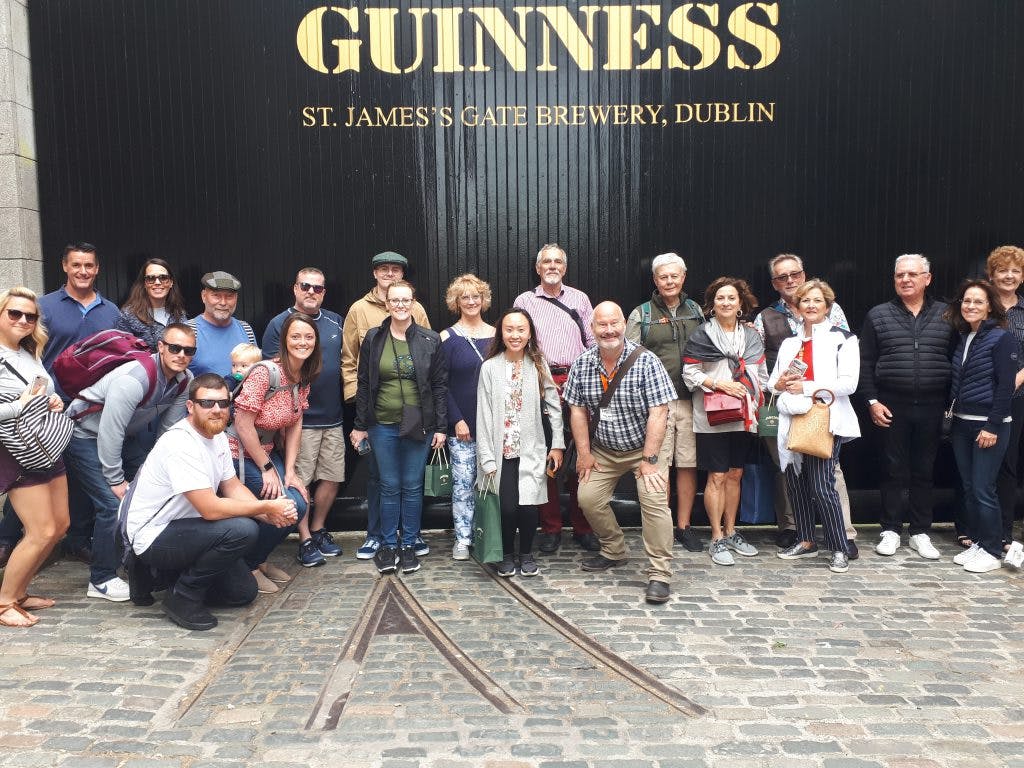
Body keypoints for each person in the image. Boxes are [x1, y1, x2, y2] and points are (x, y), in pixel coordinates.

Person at [123, 373, 299, 631]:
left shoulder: (216, 437)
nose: (216, 410)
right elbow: (210, 508)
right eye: (207, 403)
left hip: (188, 529)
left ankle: (166, 576)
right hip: (154, 535)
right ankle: (182, 596)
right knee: (242, 530)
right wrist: (263, 508)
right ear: (191, 406)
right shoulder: (180, 442)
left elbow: (231, 486)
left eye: (223, 403)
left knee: (242, 593)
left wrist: (269, 515)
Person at [0, 243, 120, 569]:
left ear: (97, 269)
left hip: (91, 410)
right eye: (77, 265)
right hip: (46, 411)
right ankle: (7, 539)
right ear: (65, 267)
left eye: (89, 266)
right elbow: (32, 352)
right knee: (31, 473)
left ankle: (75, 540)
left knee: (75, 478)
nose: (83, 271)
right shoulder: (45, 306)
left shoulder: (111, 311)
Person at [64, 323, 194, 601]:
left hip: (124, 438)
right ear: (161, 347)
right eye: (175, 347)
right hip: (84, 434)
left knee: (157, 491)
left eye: (188, 350)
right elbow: (110, 430)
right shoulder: (134, 378)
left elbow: (167, 432)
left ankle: (150, 563)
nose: (181, 354)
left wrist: (162, 472)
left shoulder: (185, 380)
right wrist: (115, 479)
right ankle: (101, 578)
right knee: (112, 504)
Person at [563, 301, 676, 604]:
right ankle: (614, 549)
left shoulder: (646, 361)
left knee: (653, 501)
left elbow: (659, 412)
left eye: (614, 323)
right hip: (604, 449)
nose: (609, 330)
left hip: (645, 447)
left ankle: (660, 573)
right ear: (592, 328)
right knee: (588, 498)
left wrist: (650, 460)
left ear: (624, 324)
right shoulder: (583, 363)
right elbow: (576, 410)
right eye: (602, 324)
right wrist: (585, 454)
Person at [753, 254, 858, 554]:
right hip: (789, 413)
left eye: (816, 301)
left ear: (827, 305)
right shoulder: (787, 340)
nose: (810, 306)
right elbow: (772, 380)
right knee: (794, 479)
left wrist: (806, 387)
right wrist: (781, 384)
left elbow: (848, 383)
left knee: (824, 482)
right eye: (805, 302)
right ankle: (804, 537)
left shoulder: (843, 338)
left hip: (824, 414)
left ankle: (842, 543)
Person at [860, 254, 954, 559]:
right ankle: (889, 529)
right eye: (900, 275)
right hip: (891, 404)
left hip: (932, 405)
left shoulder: (947, 315)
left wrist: (951, 404)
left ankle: (920, 532)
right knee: (892, 469)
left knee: (924, 470)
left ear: (927, 278)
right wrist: (872, 401)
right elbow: (865, 362)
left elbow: (957, 360)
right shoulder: (879, 315)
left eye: (913, 274)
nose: (906, 280)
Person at [349, 280, 446, 576]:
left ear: (413, 303)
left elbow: (439, 386)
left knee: (413, 486)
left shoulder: (430, 339)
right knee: (389, 486)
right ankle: (389, 544)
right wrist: (360, 424)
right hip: (382, 424)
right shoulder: (374, 339)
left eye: (406, 300)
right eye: (395, 301)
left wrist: (441, 426)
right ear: (387, 303)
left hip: (420, 424)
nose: (401, 306)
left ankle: (409, 544)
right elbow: (364, 383)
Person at [342, 252, 430, 560]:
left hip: (412, 416)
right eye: (383, 269)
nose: (389, 274)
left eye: (395, 270)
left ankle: (408, 535)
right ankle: (376, 535)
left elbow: (427, 360)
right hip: (376, 414)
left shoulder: (416, 309)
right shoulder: (358, 309)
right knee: (380, 478)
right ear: (375, 273)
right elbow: (351, 360)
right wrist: (360, 414)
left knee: (405, 480)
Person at [514, 243, 598, 554]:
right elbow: (518, 340)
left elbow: (592, 342)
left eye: (557, 261)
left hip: (577, 385)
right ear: (537, 268)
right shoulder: (525, 301)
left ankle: (582, 526)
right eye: (546, 261)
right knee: (546, 458)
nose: (552, 266)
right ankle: (550, 528)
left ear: (564, 267)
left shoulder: (580, 299)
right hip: (541, 384)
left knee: (581, 457)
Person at [682, 277, 767, 567]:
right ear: (712, 305)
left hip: (743, 414)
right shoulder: (701, 336)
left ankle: (732, 531)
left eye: (732, 298)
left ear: (741, 304)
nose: (726, 303)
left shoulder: (752, 337)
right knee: (716, 476)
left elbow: (761, 372)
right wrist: (722, 385)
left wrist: (756, 394)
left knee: (735, 474)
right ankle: (716, 536)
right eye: (720, 298)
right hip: (712, 417)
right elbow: (689, 374)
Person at [263, 268, 345, 563]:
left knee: (333, 477)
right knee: (301, 480)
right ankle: (305, 539)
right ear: (294, 288)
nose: (312, 292)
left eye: (318, 288)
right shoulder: (278, 323)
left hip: (333, 417)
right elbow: (273, 370)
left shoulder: (336, 320)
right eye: (306, 286)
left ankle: (319, 528)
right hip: (300, 420)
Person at [229, 313, 317, 589]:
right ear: (284, 340)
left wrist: (289, 471)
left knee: (299, 499)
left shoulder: (302, 375)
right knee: (289, 505)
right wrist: (267, 469)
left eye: (308, 337)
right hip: (238, 455)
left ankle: (259, 558)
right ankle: (249, 565)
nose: (302, 342)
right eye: (296, 336)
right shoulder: (264, 372)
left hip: (266, 452)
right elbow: (242, 424)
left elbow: (295, 422)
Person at [625, 252, 705, 552]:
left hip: (691, 400)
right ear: (655, 280)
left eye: (674, 276)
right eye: (663, 277)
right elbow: (629, 358)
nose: (669, 281)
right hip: (657, 405)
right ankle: (664, 525)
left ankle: (684, 526)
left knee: (687, 465)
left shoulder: (696, 310)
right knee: (659, 466)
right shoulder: (641, 314)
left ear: (683, 278)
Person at [0, 288, 69, 628]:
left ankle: (21, 591)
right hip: (16, 449)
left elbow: (44, 392)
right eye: (14, 313)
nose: (24, 321)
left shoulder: (29, 351)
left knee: (60, 526)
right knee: (40, 530)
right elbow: (19, 404)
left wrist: (52, 401)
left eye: (30, 316)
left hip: (44, 443)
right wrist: (20, 405)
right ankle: (4, 603)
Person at [476, 309, 563, 577]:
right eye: (509, 329)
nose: (515, 335)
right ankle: (504, 554)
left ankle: (525, 553)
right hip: (500, 451)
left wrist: (557, 444)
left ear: (530, 334)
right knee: (506, 506)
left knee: (528, 504)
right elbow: (483, 413)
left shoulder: (537, 364)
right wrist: (486, 457)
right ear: (501, 333)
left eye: (521, 330)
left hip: (531, 448)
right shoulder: (490, 367)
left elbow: (554, 405)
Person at [945, 280, 1017, 573]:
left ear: (990, 306)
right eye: (966, 301)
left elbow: (1004, 389)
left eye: (977, 301)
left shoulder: (1003, 339)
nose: (970, 306)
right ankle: (978, 542)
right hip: (962, 424)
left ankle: (991, 548)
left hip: (988, 426)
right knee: (970, 487)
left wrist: (992, 425)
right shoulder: (965, 337)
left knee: (984, 488)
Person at [439, 274, 495, 560]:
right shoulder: (448, 338)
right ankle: (463, 538)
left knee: (491, 484)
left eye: (476, 296)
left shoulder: (498, 334)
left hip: (494, 427)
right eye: (465, 297)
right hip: (463, 427)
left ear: (483, 300)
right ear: (456, 302)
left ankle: (489, 533)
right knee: (462, 485)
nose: (471, 301)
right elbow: (442, 383)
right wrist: (456, 419)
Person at [986, 245, 1024, 551]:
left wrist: (1014, 379)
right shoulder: (982, 305)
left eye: (1015, 270)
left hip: (1015, 396)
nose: (1009, 276)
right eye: (1003, 270)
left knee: (1007, 464)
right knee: (976, 462)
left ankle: (1003, 531)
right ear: (992, 274)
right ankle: (971, 528)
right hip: (982, 395)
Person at [187, 271, 257, 379]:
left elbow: (256, 371)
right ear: (204, 296)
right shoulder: (189, 330)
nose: (223, 302)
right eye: (216, 296)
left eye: (229, 296)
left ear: (236, 298)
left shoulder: (246, 329)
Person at [114, 258, 188, 351]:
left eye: (163, 278)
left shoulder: (180, 314)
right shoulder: (128, 315)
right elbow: (121, 352)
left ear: (171, 282)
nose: (157, 282)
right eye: (151, 278)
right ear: (145, 284)